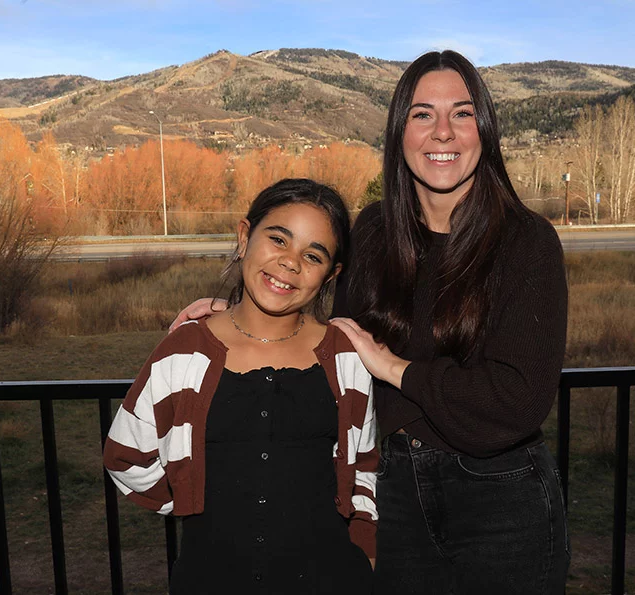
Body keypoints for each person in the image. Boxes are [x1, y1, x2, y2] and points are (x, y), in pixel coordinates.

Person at [170, 50, 570, 594]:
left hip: (501, 498)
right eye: (423, 114)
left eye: (463, 113)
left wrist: (396, 369)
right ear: (400, 131)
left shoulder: (528, 242)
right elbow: (335, 341)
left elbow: (517, 401)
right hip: (393, 488)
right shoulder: (376, 231)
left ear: (486, 129)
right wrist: (243, 318)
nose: (443, 132)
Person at [104, 178, 378, 595]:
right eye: (278, 240)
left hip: (331, 578)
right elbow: (125, 457)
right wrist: (192, 499)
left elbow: (365, 471)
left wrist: (367, 556)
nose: (290, 262)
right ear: (244, 236)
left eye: (313, 255)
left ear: (330, 275)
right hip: (210, 577)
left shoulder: (345, 357)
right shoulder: (184, 352)